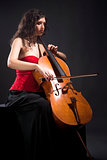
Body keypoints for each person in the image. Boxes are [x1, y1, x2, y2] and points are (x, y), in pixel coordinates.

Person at [5, 8, 87, 160]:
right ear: (30, 24)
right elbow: (10, 62)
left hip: (39, 92)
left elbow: (64, 58)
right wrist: (36, 66)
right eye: (38, 23)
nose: (42, 26)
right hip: (21, 93)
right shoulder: (19, 41)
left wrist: (55, 53)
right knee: (43, 106)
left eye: (44, 23)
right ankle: (43, 155)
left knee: (66, 110)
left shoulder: (40, 46)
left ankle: (70, 154)